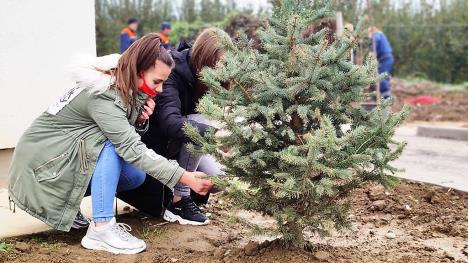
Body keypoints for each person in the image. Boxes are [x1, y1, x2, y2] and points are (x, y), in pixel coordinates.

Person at [8, 34, 213, 254]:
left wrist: (140, 120)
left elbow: (112, 132)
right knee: (113, 146)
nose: (161, 89)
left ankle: (72, 205)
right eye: (157, 81)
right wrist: (184, 177)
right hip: (39, 171)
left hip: (55, 163)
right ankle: (101, 229)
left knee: (134, 176)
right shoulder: (104, 94)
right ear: (138, 71)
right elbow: (131, 148)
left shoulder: (120, 83)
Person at [142, 28, 230, 225]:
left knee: (220, 178)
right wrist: (215, 134)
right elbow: (169, 122)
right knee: (202, 124)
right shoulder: (172, 71)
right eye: (217, 67)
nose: (220, 74)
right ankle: (179, 201)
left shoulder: (216, 79)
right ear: (204, 60)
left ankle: (189, 192)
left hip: (188, 150)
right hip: (161, 144)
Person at [369, 26, 394, 99]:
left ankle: (386, 97)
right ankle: (382, 96)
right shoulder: (381, 34)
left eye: (369, 33)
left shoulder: (377, 35)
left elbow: (375, 42)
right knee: (383, 76)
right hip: (386, 58)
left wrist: (371, 52)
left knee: (382, 76)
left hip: (385, 58)